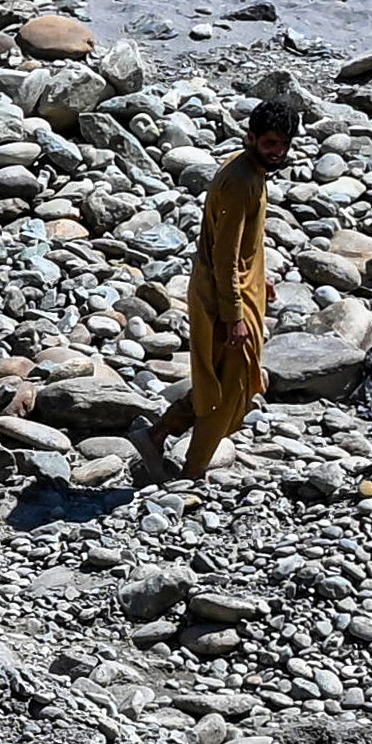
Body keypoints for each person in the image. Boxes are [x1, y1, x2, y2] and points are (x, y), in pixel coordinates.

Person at [137, 86, 303, 486]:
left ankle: (157, 436)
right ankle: (192, 472)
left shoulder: (254, 172)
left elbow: (243, 244)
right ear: (250, 138)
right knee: (230, 389)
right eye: (269, 143)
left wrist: (259, 276)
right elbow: (224, 255)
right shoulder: (239, 180)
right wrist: (233, 317)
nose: (277, 151)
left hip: (240, 291)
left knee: (225, 380)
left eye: (283, 145)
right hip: (222, 300)